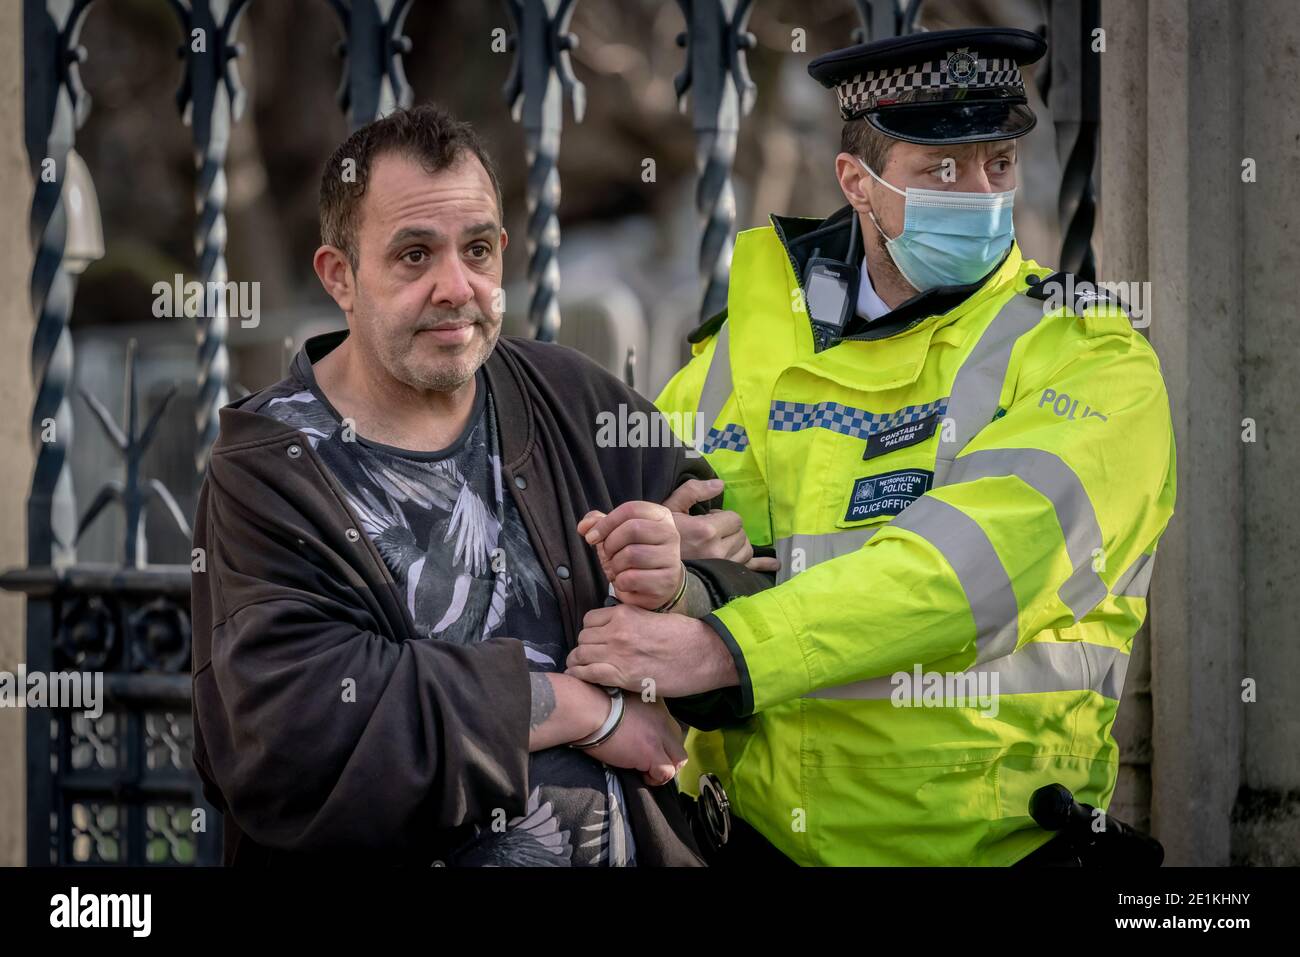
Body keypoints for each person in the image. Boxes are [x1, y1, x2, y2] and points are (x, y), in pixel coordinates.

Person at [565, 27, 1177, 865]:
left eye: (998, 163)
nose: (981, 194)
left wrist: (727, 641)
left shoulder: (1090, 354)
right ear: (858, 182)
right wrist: (676, 577)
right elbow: (653, 542)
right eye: (941, 169)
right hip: (744, 843)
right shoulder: (738, 355)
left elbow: (970, 572)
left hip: (993, 848)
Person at [189, 104, 771, 866]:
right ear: (340, 276)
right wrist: (578, 708)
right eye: (413, 255)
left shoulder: (573, 399)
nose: (456, 287)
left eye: (478, 249)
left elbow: (749, 599)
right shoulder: (269, 471)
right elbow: (295, 733)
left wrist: (680, 592)